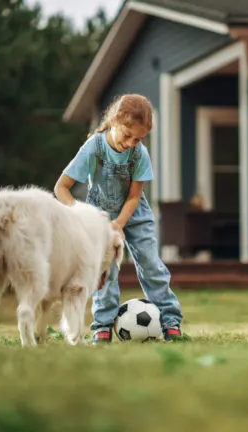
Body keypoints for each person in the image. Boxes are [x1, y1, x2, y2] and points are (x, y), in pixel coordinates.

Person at [54, 93, 186, 344]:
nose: (132, 142)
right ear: (114, 121)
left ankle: (170, 322)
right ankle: (103, 325)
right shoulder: (94, 148)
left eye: (139, 138)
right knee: (106, 272)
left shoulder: (139, 154)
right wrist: (84, 216)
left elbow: (135, 196)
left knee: (150, 265)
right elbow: (61, 188)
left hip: (134, 217)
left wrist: (119, 225)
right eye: (128, 135)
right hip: (100, 221)